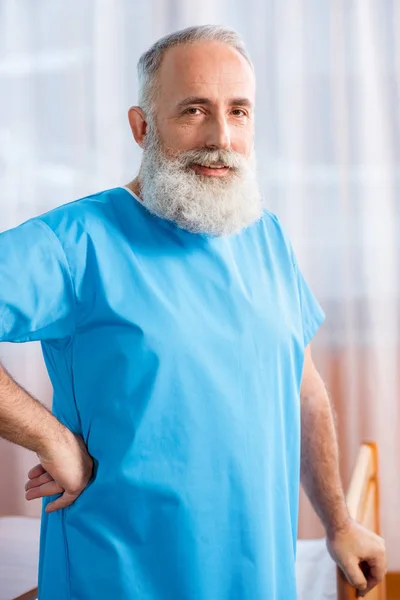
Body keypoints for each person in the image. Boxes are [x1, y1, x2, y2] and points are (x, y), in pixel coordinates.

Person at [0, 25, 386, 600]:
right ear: (142, 127)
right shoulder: (77, 240)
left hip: (259, 580)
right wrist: (50, 439)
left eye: (239, 112)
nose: (221, 137)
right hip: (121, 580)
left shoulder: (266, 235)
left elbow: (301, 390)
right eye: (194, 110)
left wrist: (339, 524)